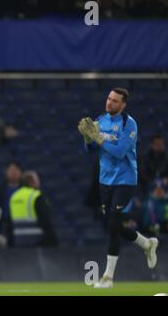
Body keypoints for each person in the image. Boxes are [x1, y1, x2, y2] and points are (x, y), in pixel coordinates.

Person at [78, 87, 158, 289]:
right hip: (105, 181)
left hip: (125, 180)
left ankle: (108, 278)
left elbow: (120, 152)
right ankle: (147, 244)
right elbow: (90, 150)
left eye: (115, 100)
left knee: (113, 224)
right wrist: (88, 139)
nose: (110, 102)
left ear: (123, 105)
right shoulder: (101, 120)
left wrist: (98, 138)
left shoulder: (128, 123)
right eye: (109, 98)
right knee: (113, 225)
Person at [8, 171, 58, 247]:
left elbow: (10, 223)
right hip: (37, 242)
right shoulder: (36, 196)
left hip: (19, 242)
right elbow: (45, 221)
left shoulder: (14, 197)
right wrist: (54, 242)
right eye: (37, 180)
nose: (39, 183)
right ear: (31, 182)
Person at [0, 160, 22, 236]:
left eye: (16, 170)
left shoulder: (24, 188)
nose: (13, 172)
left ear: (20, 172)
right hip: (3, 222)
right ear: (6, 172)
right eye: (11, 170)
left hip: (20, 221)